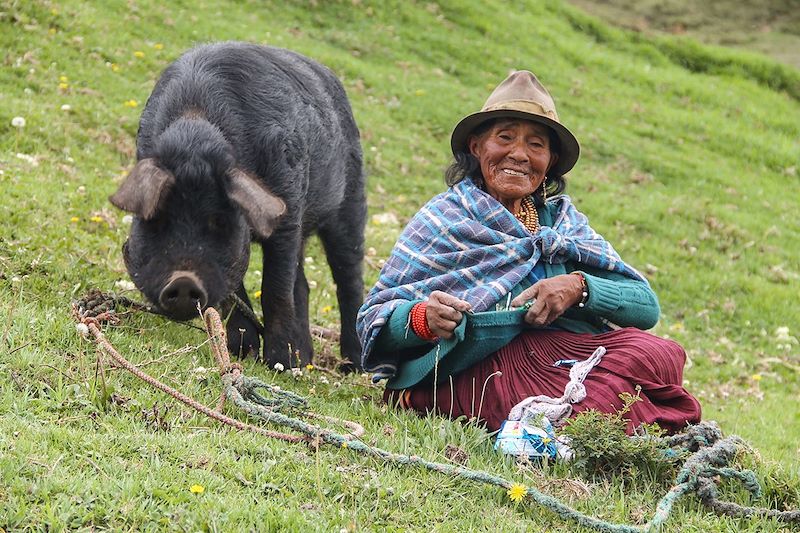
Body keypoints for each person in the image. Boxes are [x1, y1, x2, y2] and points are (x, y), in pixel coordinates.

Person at [356, 70, 701, 434]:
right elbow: (375, 321)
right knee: (599, 398)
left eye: (536, 145)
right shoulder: (445, 220)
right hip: (485, 364)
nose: (519, 154)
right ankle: (606, 420)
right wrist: (423, 318)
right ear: (477, 147)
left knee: (658, 353)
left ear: (550, 161)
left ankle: (603, 416)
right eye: (504, 138)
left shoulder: (563, 225)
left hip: (567, 355)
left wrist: (579, 287)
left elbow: (646, 307)